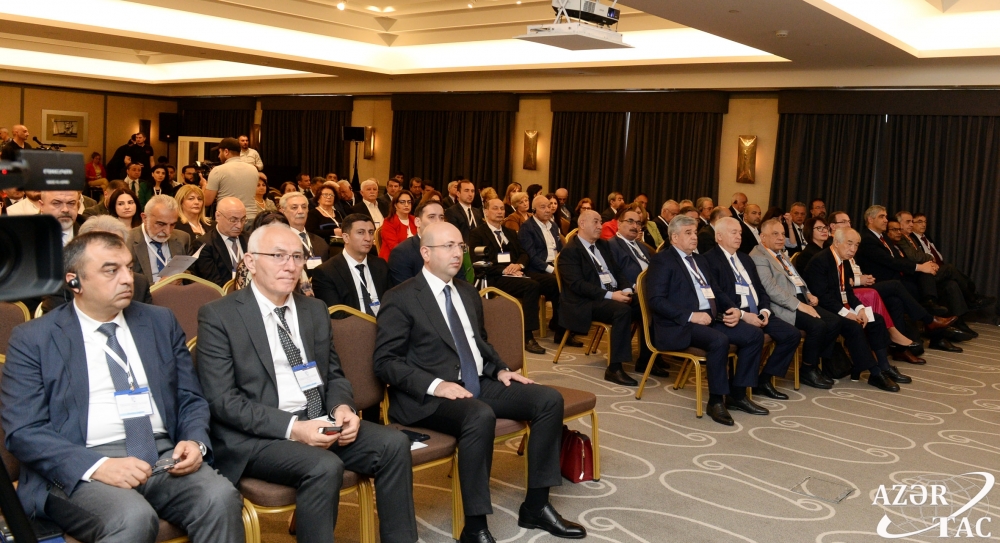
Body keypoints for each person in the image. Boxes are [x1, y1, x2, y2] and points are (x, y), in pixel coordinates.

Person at [1, 232, 244, 542]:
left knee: (220, 498)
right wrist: (98, 466)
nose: (128, 278)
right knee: (132, 517)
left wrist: (194, 440)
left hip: (162, 456)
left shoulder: (159, 322)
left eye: (129, 267)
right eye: (111, 270)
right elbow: (24, 430)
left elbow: (189, 398)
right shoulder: (34, 338)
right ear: (74, 281)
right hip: (82, 464)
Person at [196, 223, 417, 543]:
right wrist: (294, 428)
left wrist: (342, 408)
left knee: (394, 444)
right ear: (251, 261)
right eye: (278, 256)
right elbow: (222, 401)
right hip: (260, 435)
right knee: (324, 465)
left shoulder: (313, 309)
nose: (290, 265)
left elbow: (333, 374)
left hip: (319, 420)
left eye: (297, 256)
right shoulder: (219, 315)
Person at [374, 221, 585, 543]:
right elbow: (386, 362)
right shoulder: (401, 297)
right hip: (428, 397)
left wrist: (500, 370)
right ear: (426, 253)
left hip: (475, 382)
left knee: (548, 399)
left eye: (460, 246)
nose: (457, 253)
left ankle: (537, 506)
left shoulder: (466, 291)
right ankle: (474, 527)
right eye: (448, 246)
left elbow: (478, 344)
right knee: (479, 415)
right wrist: (436, 385)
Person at [645, 214, 767, 426]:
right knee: (719, 340)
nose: (695, 237)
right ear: (674, 237)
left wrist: (734, 309)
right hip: (679, 324)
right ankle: (716, 401)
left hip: (709, 319)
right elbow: (656, 300)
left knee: (754, 334)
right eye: (688, 233)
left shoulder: (700, 260)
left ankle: (737, 395)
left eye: (695, 232)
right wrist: (691, 315)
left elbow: (716, 291)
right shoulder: (662, 260)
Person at [802, 228, 915, 390]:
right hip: (825, 310)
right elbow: (822, 296)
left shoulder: (845, 261)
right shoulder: (820, 261)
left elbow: (848, 291)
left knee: (876, 319)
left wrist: (860, 308)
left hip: (840, 306)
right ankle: (875, 373)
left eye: (856, 245)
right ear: (836, 242)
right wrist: (848, 313)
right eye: (849, 244)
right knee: (854, 326)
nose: (853, 249)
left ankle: (884, 366)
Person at [703, 217, 801, 399]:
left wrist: (765, 311)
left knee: (791, 334)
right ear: (719, 236)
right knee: (754, 336)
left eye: (740, 233)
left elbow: (760, 290)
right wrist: (744, 315)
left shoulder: (745, 259)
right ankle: (738, 393)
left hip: (757, 311)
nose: (739, 236)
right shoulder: (709, 260)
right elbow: (716, 295)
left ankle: (764, 380)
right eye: (734, 232)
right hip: (733, 314)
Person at [558, 210, 648, 385]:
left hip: (611, 294)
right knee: (622, 311)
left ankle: (646, 359)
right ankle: (614, 368)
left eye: (601, 222)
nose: (601, 226)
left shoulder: (603, 245)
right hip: (586, 301)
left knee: (646, 304)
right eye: (596, 222)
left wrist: (627, 290)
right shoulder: (570, 250)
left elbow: (618, 271)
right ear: (582, 224)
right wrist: (611, 295)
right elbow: (578, 285)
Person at [750, 218, 838, 389]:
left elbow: (796, 277)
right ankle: (808, 369)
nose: (781, 238)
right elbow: (771, 289)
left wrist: (808, 292)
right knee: (818, 326)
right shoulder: (758, 257)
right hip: (782, 305)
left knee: (834, 321)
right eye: (775, 234)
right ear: (763, 237)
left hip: (799, 299)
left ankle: (819, 364)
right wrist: (799, 305)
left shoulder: (780, 254)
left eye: (783, 234)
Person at [468, 199, 549, 355]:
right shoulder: (477, 233)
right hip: (493, 276)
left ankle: (561, 327)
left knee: (550, 281)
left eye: (502, 209)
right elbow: (479, 262)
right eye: (495, 208)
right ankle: (528, 336)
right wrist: (505, 270)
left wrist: (518, 265)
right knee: (532, 286)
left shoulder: (510, 232)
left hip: (516, 272)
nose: (500, 212)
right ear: (486, 212)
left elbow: (524, 254)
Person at [605, 205, 667, 377]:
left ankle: (655, 354)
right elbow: (613, 273)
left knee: (667, 303)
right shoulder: (611, 246)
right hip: (626, 294)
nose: (635, 226)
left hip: (648, 291)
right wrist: (630, 287)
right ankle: (645, 359)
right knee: (652, 306)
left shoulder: (642, 246)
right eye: (630, 221)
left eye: (638, 223)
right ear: (619, 224)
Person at [312, 213, 389, 318]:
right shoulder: (326, 272)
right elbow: (335, 316)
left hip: (385, 323)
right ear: (346, 237)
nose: (368, 238)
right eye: (361, 232)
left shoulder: (381, 265)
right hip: (351, 327)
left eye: (371, 232)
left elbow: (392, 301)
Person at [126, 195, 192, 285]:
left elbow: (192, 275)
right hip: (148, 293)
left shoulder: (183, 238)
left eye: (172, 225)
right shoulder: (127, 241)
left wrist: (182, 274)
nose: (168, 231)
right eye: (161, 224)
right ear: (145, 218)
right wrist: (160, 285)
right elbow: (127, 283)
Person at [388, 200, 448, 287]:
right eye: (431, 217)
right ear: (418, 222)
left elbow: (460, 283)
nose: (438, 222)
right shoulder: (401, 253)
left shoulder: (450, 247)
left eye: (441, 217)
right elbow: (405, 291)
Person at [192, 197, 248, 287]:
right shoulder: (204, 245)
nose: (239, 225)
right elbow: (214, 285)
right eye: (233, 220)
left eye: (243, 219)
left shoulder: (250, 238)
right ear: (218, 216)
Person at [204, 138, 259, 220]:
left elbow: (207, 201)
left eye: (220, 152)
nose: (219, 156)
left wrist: (204, 185)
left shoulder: (218, 170)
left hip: (228, 219)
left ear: (226, 152)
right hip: (251, 217)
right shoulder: (253, 169)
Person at [280, 192, 332, 267]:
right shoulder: (279, 242)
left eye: (304, 207)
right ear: (282, 211)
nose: (301, 211)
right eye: (294, 207)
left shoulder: (320, 242)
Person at [379, 190, 417, 260]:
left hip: (413, 258)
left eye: (409, 202)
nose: (406, 205)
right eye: (402, 202)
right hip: (394, 259)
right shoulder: (389, 222)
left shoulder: (415, 220)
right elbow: (395, 247)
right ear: (395, 205)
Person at [445, 180, 485, 244]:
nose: (470, 194)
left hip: (478, 246)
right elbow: (453, 235)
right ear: (458, 193)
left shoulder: (477, 212)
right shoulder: (452, 211)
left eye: (472, 191)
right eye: (466, 191)